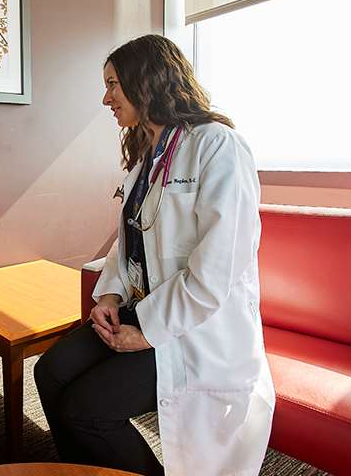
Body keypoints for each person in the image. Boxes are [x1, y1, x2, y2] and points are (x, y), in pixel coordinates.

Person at [34, 34, 275, 476]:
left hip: (195, 330)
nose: (105, 98)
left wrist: (146, 329)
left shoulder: (217, 146)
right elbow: (129, 243)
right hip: (141, 309)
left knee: (87, 409)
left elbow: (217, 269)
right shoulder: (148, 158)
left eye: (112, 84)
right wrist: (107, 296)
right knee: (49, 373)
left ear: (145, 80)